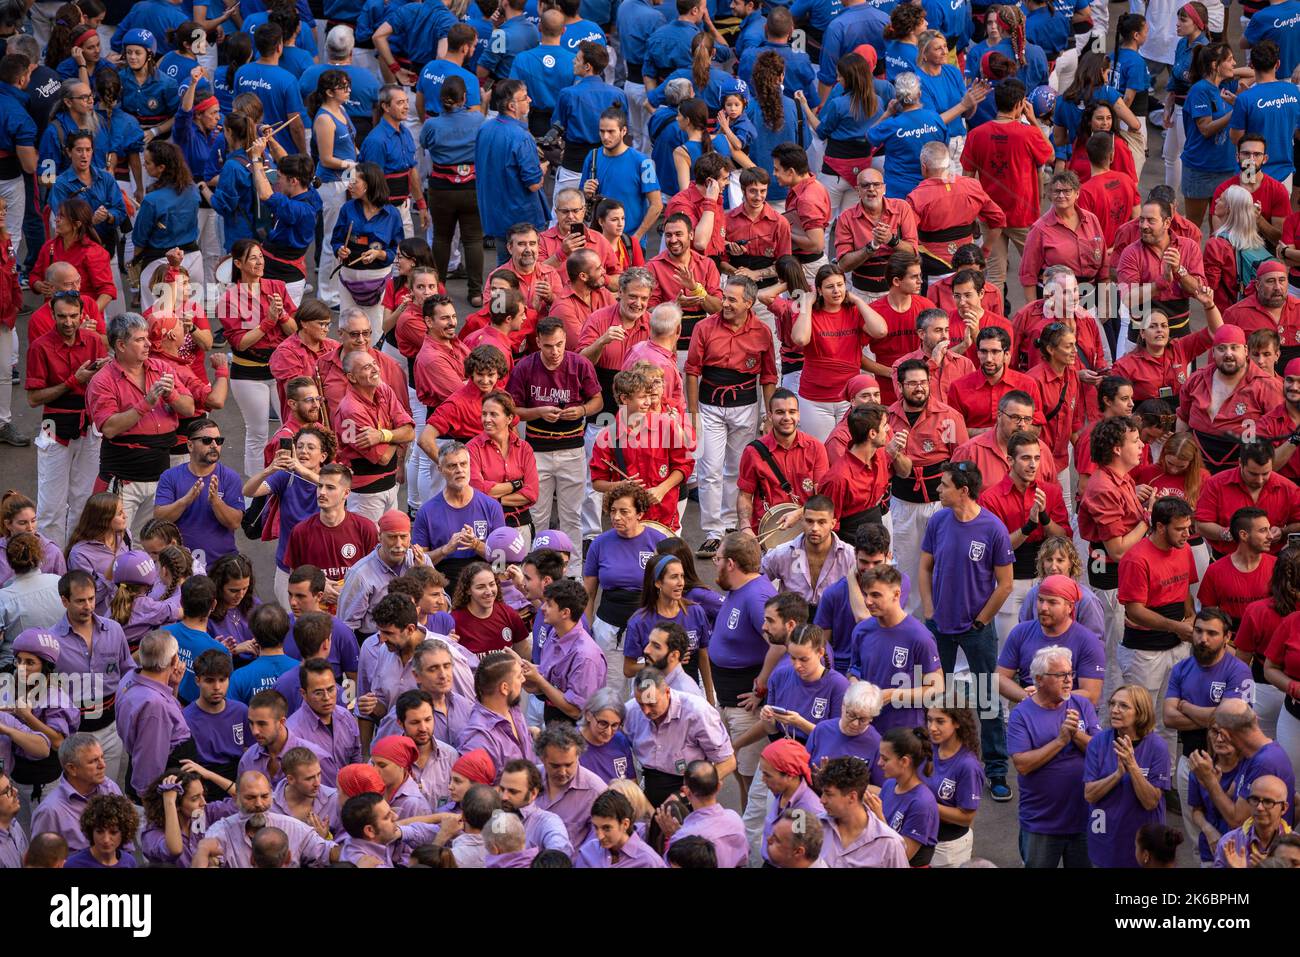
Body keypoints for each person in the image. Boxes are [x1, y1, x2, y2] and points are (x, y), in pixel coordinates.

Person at [920, 460, 1014, 797]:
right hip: (939, 627)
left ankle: (997, 770)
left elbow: (1005, 584)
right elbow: (925, 566)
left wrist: (982, 620)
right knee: (933, 698)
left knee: (988, 700)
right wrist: (929, 608)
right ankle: (931, 763)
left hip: (977, 630)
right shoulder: (938, 521)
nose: (938, 490)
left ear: (963, 490)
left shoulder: (993, 528)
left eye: (944, 485)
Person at [1117, 495, 1198, 755]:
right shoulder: (1136, 558)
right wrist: (1176, 627)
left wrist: (1190, 618)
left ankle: (1165, 781)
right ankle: (1134, 776)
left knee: (1169, 720)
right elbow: (1135, 611)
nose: (1187, 534)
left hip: (1177, 647)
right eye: (1180, 528)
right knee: (1141, 721)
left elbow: (1185, 588)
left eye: (1188, 527)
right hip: (1145, 652)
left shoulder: (1184, 549)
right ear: (1160, 527)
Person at [1008, 645, 1101, 867]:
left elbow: (1100, 752)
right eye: (1060, 675)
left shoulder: (1082, 705)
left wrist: (1075, 734)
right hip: (1042, 823)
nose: (1068, 680)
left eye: (1070, 673)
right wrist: (1060, 741)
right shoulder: (1021, 715)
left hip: (1084, 819)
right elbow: (1022, 764)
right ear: (1039, 680)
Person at [624, 667, 736, 806]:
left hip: (691, 789)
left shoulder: (697, 712)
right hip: (650, 784)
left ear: (667, 692)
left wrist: (691, 791)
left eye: (652, 704)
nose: (646, 711)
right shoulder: (630, 711)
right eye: (641, 704)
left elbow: (728, 762)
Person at [475, 80, 548, 263]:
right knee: (526, 270)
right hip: (521, 218)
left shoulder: (485, 128)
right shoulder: (520, 137)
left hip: (496, 214)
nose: (529, 100)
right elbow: (533, 184)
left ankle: (500, 293)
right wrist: (542, 169)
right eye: (524, 98)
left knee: (503, 269)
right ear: (511, 106)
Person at [153, 419, 243, 563]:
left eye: (218, 440)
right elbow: (160, 518)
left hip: (221, 565)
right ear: (190, 445)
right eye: (207, 440)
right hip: (181, 564)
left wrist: (216, 502)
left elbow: (234, 523)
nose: (214, 445)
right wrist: (184, 501)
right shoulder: (170, 477)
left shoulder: (230, 477)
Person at [282, 464, 379, 595]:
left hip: (355, 610)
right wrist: (319, 586)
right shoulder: (300, 532)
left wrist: (348, 591)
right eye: (320, 486)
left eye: (330, 488)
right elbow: (295, 579)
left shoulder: (365, 528)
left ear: (346, 493)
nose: (322, 492)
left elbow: (375, 574)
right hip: (315, 611)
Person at [30, 734, 121, 852]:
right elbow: (42, 859)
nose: (102, 765)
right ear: (72, 768)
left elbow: (126, 838)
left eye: (102, 757)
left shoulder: (110, 788)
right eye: (93, 761)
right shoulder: (50, 811)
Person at [814, 755, 909, 867]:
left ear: (852, 797)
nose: (822, 800)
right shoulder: (815, 826)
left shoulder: (890, 844)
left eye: (829, 794)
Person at [654, 759, 747, 867]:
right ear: (719, 786)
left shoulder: (683, 837)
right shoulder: (735, 819)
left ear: (686, 792)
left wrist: (673, 836)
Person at [1214, 773, 1291, 867]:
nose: (1259, 807)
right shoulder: (1229, 843)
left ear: (1284, 808)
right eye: (1254, 799)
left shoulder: (1295, 847)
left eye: (1268, 802)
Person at [575, 789, 666, 868]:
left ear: (625, 824)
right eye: (595, 827)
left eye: (607, 828)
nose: (600, 836)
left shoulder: (648, 861)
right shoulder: (588, 851)